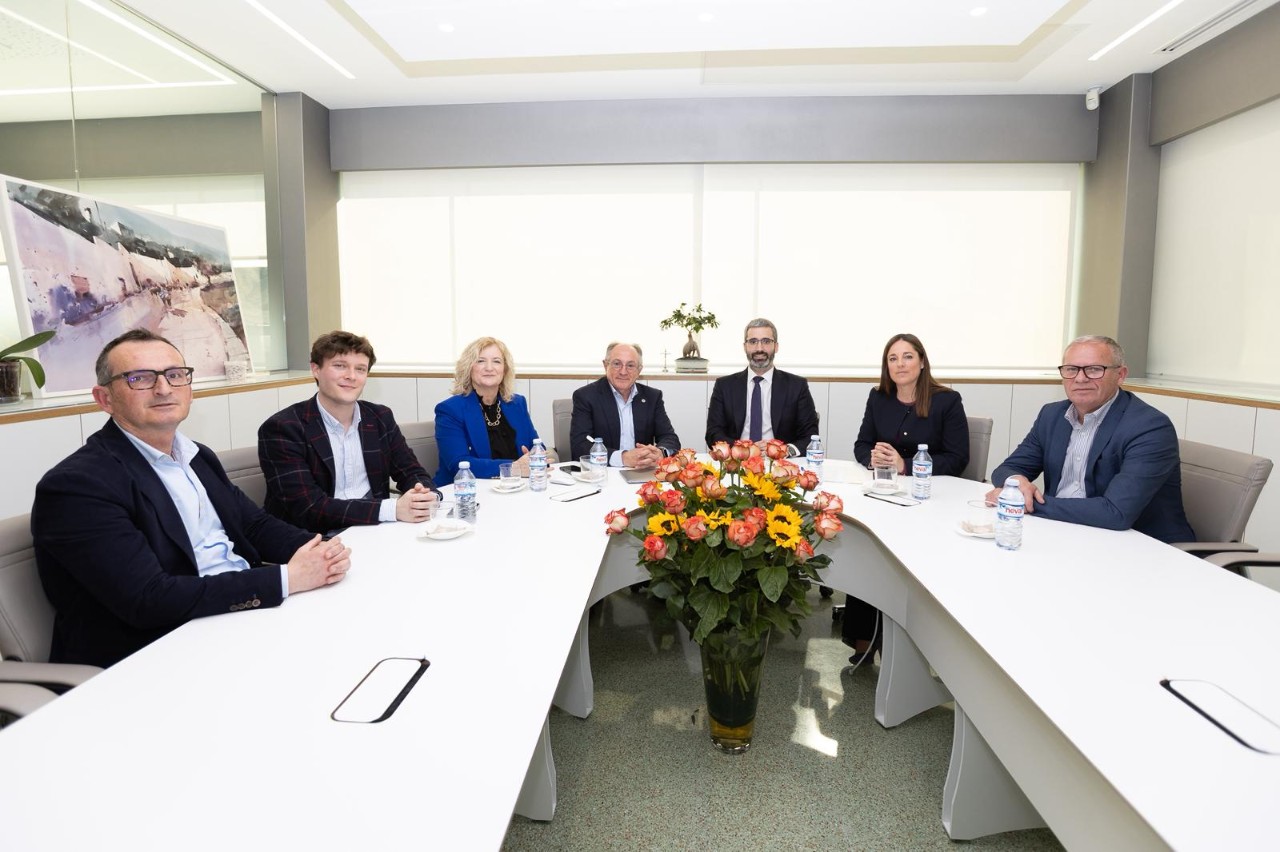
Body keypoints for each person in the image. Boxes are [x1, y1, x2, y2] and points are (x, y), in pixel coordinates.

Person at [32, 329, 352, 668]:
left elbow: (253, 526)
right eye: (139, 378)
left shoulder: (196, 456)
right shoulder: (77, 485)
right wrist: (288, 578)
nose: (164, 388)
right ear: (105, 398)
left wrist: (325, 551)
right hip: (159, 650)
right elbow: (148, 600)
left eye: (174, 375)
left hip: (235, 617)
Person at [988, 335, 1194, 542]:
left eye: (1094, 369)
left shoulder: (1150, 427)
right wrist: (1016, 482)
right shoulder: (1052, 415)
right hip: (1066, 531)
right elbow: (1006, 469)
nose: (1080, 378)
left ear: (1120, 375)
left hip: (1142, 547)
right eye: (1071, 369)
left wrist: (1020, 502)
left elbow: (1116, 513)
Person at [844, 333, 970, 663]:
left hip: (929, 501)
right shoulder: (878, 397)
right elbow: (860, 444)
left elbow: (958, 458)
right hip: (883, 496)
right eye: (893, 358)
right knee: (868, 550)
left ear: (922, 361)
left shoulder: (947, 401)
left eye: (908, 357)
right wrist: (874, 457)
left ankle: (912, 642)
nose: (900, 364)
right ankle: (862, 638)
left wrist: (906, 465)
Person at [259, 330, 437, 534]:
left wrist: (424, 494)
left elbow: (410, 471)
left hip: (374, 529)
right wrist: (392, 509)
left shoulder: (379, 417)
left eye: (360, 369)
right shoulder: (283, 428)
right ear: (315, 369)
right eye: (340, 366)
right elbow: (308, 508)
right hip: (314, 539)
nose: (351, 376)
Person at [434, 336, 551, 486]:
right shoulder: (450, 410)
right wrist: (513, 468)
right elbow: (459, 464)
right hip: (465, 493)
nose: (489, 368)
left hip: (516, 488)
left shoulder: (517, 403)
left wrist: (536, 459)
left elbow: (536, 447)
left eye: (496, 361)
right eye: (480, 361)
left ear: (505, 370)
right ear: (468, 367)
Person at [705, 317, 820, 455]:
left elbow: (810, 435)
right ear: (745, 347)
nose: (759, 348)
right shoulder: (724, 386)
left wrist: (783, 451)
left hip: (781, 466)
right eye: (753, 342)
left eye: (766, 341)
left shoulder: (796, 386)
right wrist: (744, 450)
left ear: (776, 346)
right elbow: (713, 433)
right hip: (737, 463)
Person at [570, 342, 680, 467]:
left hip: (642, 472)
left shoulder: (652, 397)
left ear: (639, 370)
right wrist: (622, 458)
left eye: (630, 365)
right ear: (606, 365)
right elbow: (579, 446)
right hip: (603, 473)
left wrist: (661, 453)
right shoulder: (585, 396)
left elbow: (670, 438)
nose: (623, 371)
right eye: (617, 364)